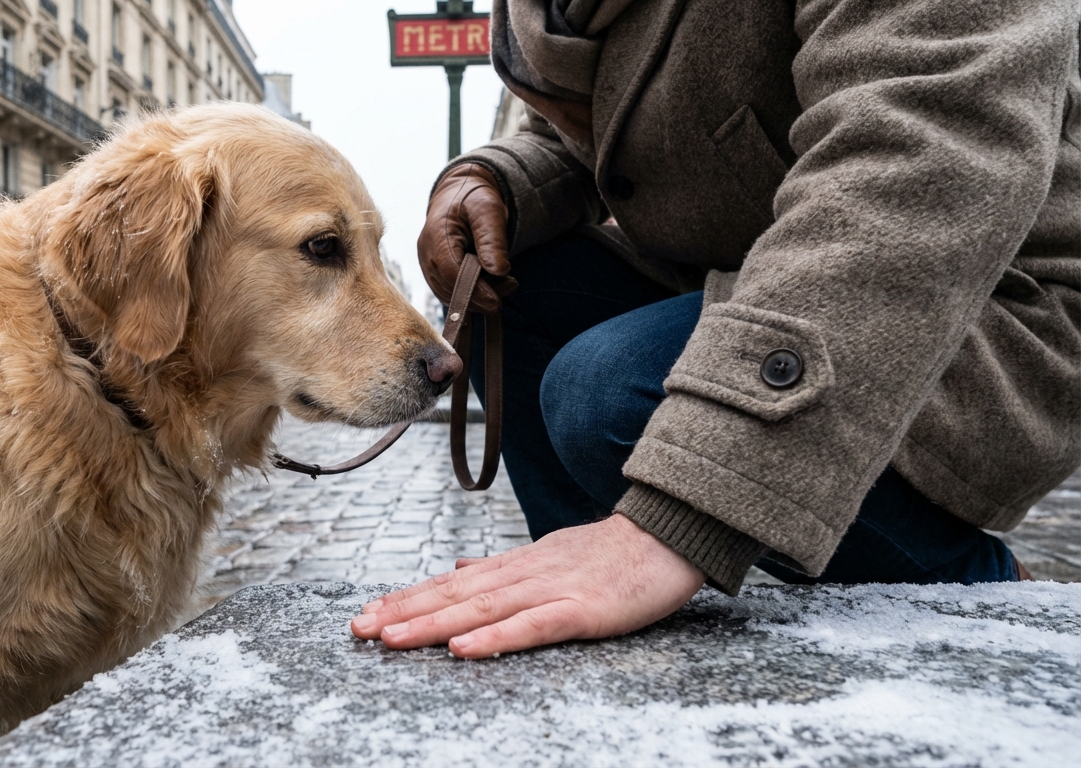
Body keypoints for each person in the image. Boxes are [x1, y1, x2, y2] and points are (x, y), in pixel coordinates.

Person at [352, 0, 1081, 658]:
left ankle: (968, 580)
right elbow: (606, 133)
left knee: (610, 392)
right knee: (514, 287)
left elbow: (923, 154)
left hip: (976, 299)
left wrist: (676, 519)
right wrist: (498, 179)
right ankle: (596, 600)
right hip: (754, 275)